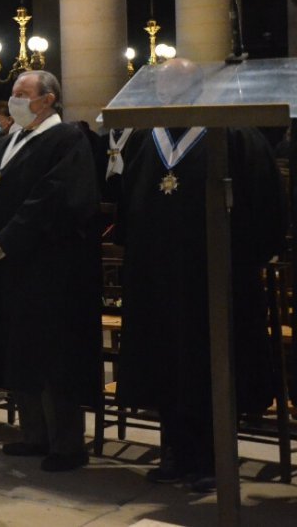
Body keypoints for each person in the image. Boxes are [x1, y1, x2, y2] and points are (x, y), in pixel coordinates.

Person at [114, 58, 284, 491]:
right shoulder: (143, 139)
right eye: (164, 86)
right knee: (166, 364)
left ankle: (213, 457)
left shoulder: (233, 134)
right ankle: (176, 451)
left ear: (199, 87)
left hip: (214, 279)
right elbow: (126, 204)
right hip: (157, 279)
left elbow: (266, 206)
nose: (169, 95)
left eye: (178, 85)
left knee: (209, 365)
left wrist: (247, 260)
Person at [0, 70, 102, 473]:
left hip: (48, 266)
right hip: (7, 264)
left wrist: (8, 239)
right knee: (18, 348)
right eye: (13, 94)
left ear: (48, 99)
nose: (14, 101)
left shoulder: (67, 140)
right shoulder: (7, 141)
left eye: (22, 94)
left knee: (53, 354)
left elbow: (53, 197)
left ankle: (66, 442)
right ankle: (33, 434)